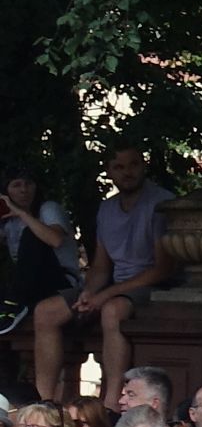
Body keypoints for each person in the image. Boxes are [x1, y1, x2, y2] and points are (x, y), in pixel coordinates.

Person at [46, 143, 175, 404]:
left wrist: (105, 295)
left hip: (153, 286)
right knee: (46, 312)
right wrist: (89, 293)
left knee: (112, 310)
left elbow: (163, 269)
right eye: (119, 167)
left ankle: (112, 402)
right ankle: (46, 401)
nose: (127, 172)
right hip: (115, 285)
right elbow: (101, 267)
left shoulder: (161, 203)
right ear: (109, 172)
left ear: (143, 166)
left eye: (133, 165)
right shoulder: (106, 209)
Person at [2, 165, 83, 340]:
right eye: (17, 185)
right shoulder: (8, 221)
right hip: (31, 286)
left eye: (29, 184)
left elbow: (55, 239)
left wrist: (22, 214)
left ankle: (14, 302)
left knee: (31, 234)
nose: (24, 190)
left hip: (61, 283)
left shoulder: (48, 208)